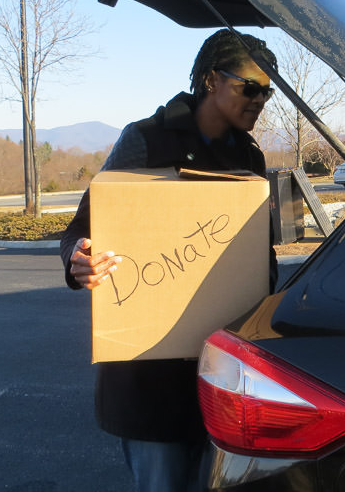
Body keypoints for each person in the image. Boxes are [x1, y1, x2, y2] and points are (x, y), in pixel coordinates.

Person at [59, 28, 278, 491]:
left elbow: (261, 254)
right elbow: (84, 225)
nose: (260, 100)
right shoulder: (145, 139)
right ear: (212, 80)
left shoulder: (250, 157)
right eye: (250, 87)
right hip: (151, 379)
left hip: (225, 374)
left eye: (267, 91)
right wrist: (79, 259)